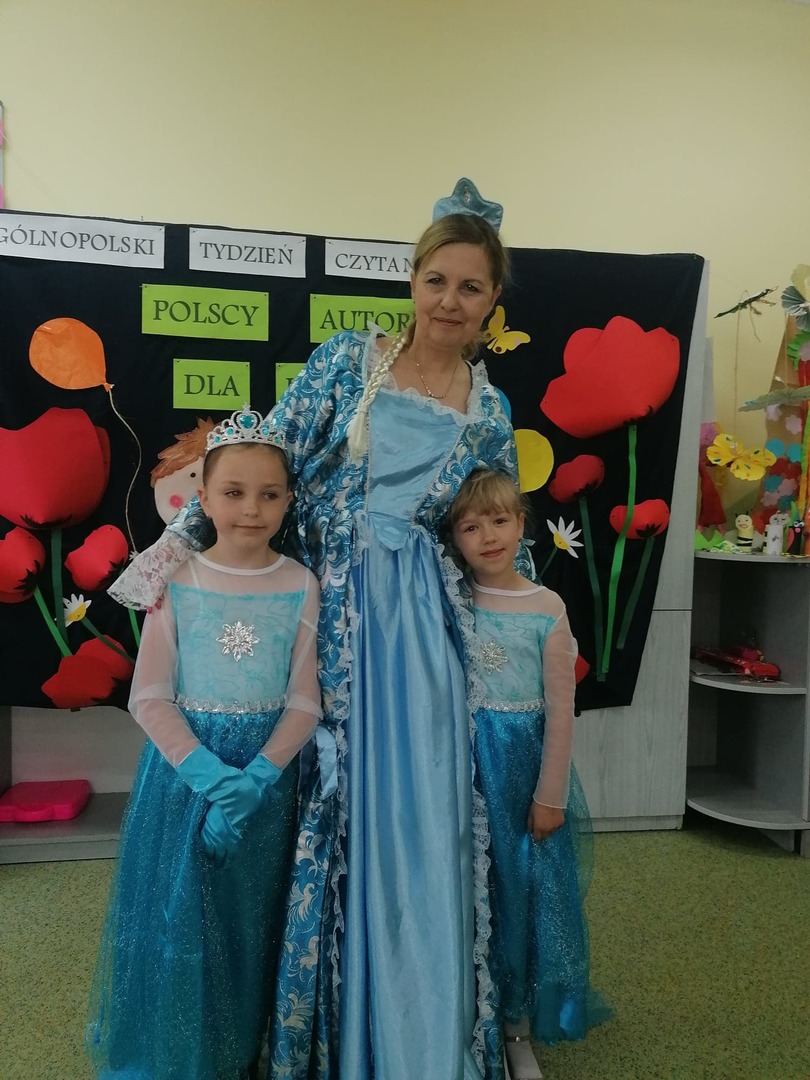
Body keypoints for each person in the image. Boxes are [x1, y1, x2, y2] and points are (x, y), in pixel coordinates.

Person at [110, 179, 526, 1079]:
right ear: (412, 281)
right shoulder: (347, 359)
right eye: (437, 280)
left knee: (422, 804)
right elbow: (268, 462)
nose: (450, 301)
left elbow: (489, 530)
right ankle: (332, 1016)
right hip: (330, 606)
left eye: (471, 287)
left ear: (494, 300)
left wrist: (523, 628)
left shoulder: (490, 411)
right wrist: (178, 550)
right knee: (335, 794)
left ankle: (426, 1017)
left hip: (419, 627)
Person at [87, 407, 322, 1079]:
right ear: (205, 499)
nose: (251, 509)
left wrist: (256, 781)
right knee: (182, 916)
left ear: (288, 500)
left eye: (269, 494)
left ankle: (236, 1049)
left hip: (266, 784)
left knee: (247, 919)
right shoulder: (179, 580)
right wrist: (215, 780)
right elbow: (149, 696)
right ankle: (175, 1056)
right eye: (234, 492)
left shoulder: (301, 583)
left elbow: (306, 700)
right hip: (185, 777)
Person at [448, 469, 612, 1080]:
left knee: (518, 900)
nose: (488, 536)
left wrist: (549, 795)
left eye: (499, 520)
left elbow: (561, 712)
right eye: (471, 527)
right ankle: (467, 1019)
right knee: (469, 896)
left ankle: (516, 1029)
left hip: (520, 777)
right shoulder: (450, 601)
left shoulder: (546, 607)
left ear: (521, 524)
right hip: (461, 772)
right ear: (454, 538)